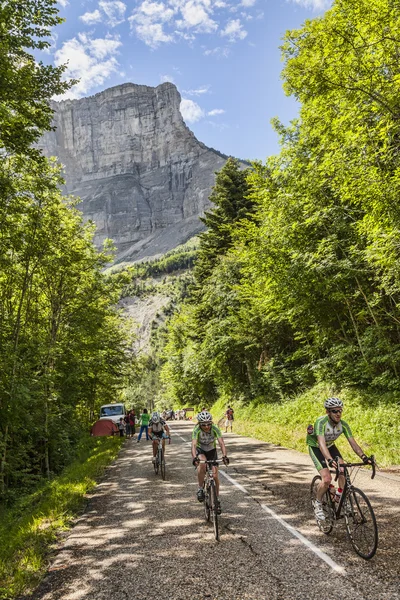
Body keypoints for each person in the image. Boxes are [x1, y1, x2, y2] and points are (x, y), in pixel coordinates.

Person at [307, 397, 371, 521]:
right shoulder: (321, 423)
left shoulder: (343, 425)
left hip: (330, 445)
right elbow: (321, 444)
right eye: (335, 411)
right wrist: (330, 460)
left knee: (343, 470)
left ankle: (340, 495)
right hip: (316, 446)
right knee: (326, 479)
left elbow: (353, 443)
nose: (338, 413)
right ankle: (318, 503)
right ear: (328, 412)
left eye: (340, 410)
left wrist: (363, 457)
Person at [191, 410, 229, 514]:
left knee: (215, 476)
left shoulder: (215, 428)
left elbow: (221, 443)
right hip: (201, 450)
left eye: (208, 424)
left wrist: (224, 455)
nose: (207, 426)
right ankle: (200, 488)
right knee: (202, 463)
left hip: (212, 451)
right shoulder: (196, 430)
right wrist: (195, 457)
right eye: (204, 425)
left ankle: (216, 499)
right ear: (199, 424)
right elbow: (194, 445)